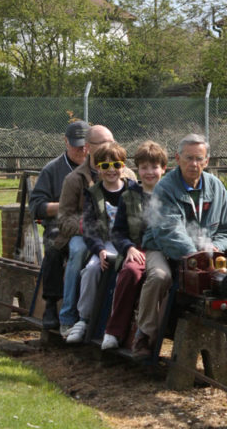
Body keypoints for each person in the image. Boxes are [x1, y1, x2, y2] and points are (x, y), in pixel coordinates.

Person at [138, 133, 227, 359]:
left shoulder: (216, 187)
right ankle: (144, 336)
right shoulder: (165, 188)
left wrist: (214, 249)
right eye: (189, 158)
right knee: (159, 277)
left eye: (199, 159)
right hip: (161, 248)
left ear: (207, 161)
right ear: (177, 158)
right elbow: (168, 231)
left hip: (209, 254)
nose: (194, 164)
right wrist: (197, 255)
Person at [101, 140, 168, 352]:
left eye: (154, 167)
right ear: (137, 170)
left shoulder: (170, 196)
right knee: (131, 272)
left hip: (166, 251)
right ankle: (115, 331)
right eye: (144, 167)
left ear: (163, 169)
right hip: (137, 250)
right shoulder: (129, 197)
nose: (149, 172)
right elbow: (118, 232)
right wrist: (128, 248)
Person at [65, 142, 134, 345]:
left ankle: (116, 324)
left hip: (128, 243)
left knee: (127, 272)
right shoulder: (93, 194)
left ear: (124, 167)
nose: (111, 170)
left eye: (116, 165)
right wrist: (100, 250)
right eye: (105, 166)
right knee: (92, 269)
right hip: (105, 242)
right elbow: (89, 228)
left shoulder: (133, 190)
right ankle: (84, 319)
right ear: (97, 169)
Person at [28, 120, 90, 330]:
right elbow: (36, 206)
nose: (81, 149)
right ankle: (51, 305)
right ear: (65, 141)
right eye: (76, 145)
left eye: (85, 145)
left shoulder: (98, 167)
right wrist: (63, 206)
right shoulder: (52, 170)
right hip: (59, 225)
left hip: (90, 225)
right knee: (54, 251)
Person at [54, 124, 115, 336]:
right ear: (88, 147)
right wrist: (84, 225)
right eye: (103, 144)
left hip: (115, 234)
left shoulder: (125, 174)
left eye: (112, 142)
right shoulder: (74, 179)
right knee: (78, 252)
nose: (109, 147)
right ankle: (68, 317)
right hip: (82, 233)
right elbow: (63, 219)